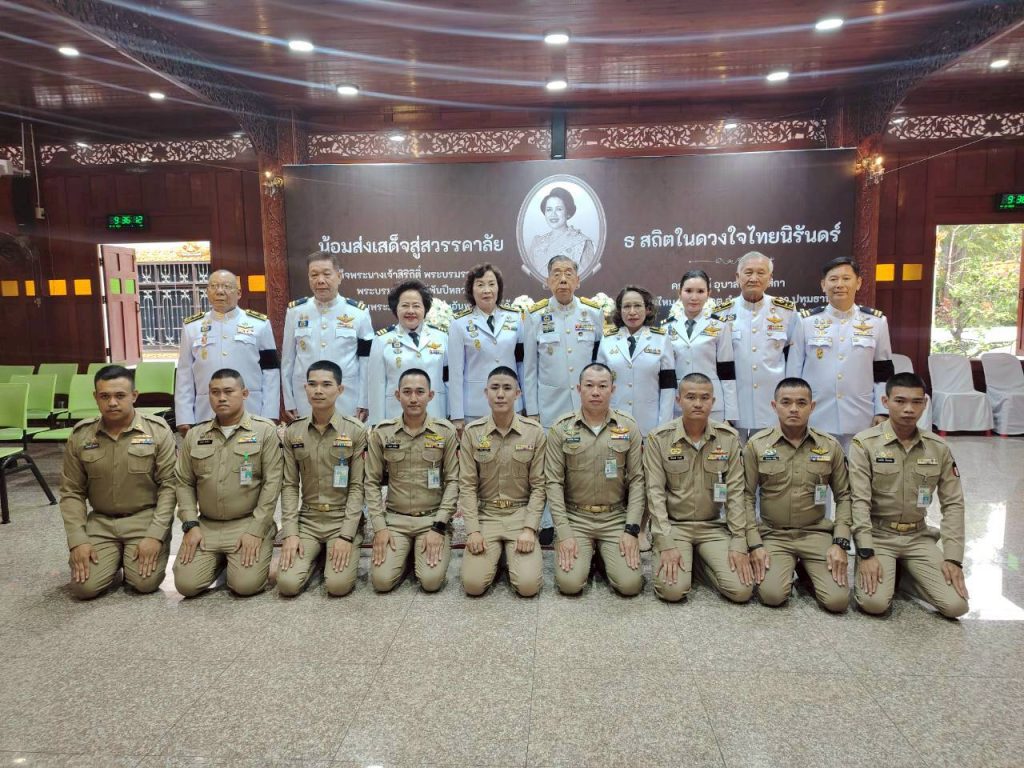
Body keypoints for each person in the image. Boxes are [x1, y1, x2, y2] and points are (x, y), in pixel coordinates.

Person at [848, 373, 969, 618]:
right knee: (874, 604)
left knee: (957, 606)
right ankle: (893, 574)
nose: (908, 409)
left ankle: (905, 578)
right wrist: (866, 552)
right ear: (885, 402)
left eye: (916, 402)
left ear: (925, 404)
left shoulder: (938, 447)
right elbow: (859, 501)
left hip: (918, 537)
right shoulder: (865, 444)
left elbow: (953, 504)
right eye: (900, 401)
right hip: (879, 536)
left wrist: (953, 558)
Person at [58, 365, 176, 599]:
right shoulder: (81, 435)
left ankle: (123, 559)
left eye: (120, 395)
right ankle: (112, 560)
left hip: (144, 519)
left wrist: (155, 535)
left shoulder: (157, 431)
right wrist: (77, 540)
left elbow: (170, 486)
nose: (112, 403)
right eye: (105, 396)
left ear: (134, 396)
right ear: (95, 397)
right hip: (101, 523)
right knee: (84, 589)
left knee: (144, 583)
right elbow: (71, 492)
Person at [743, 377, 852, 612]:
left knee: (837, 602)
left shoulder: (829, 446)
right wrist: (754, 544)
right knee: (772, 596)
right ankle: (789, 568)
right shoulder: (756, 445)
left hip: (815, 533)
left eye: (801, 403)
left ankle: (806, 572)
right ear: (774, 406)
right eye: (786, 402)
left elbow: (844, 496)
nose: (794, 409)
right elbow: (745, 497)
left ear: (812, 407)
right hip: (774, 534)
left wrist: (840, 542)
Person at [644, 373, 753, 603]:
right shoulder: (659, 439)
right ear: (678, 400)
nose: (698, 403)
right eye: (690, 397)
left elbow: (736, 494)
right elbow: (654, 494)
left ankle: (698, 563)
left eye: (704, 398)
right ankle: (688, 559)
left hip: (712, 527)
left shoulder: (728, 438)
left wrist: (738, 541)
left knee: (742, 590)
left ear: (713, 402)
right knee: (672, 592)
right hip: (674, 527)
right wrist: (665, 542)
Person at [173, 368, 283, 597]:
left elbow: (272, 484)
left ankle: (237, 557)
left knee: (245, 586)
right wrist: (190, 525)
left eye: (228, 391)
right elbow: (183, 482)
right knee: (186, 585)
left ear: (244, 393)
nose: (221, 398)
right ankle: (221, 560)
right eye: (215, 392)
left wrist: (256, 530)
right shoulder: (195, 435)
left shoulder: (264, 431)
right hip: (206, 526)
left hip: (247, 523)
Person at [524, 255, 605, 543]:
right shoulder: (535, 316)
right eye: (556, 273)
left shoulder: (593, 313)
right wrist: (532, 410)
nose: (562, 279)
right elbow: (529, 368)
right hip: (550, 405)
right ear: (547, 281)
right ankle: (547, 521)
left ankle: (581, 517)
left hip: (586, 404)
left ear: (578, 280)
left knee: (584, 461)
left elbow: (600, 363)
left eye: (569, 273)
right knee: (550, 465)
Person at [545, 363, 644, 597]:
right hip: (576, 517)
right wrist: (564, 532)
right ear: (579, 389)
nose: (596, 392)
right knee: (569, 585)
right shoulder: (561, 428)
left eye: (602, 386)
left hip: (614, 518)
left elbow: (637, 480)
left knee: (630, 585)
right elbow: (553, 483)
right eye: (589, 385)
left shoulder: (628, 426)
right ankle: (591, 552)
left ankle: (601, 555)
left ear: (613, 389)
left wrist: (631, 530)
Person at [364, 368, 459, 593]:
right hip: (395, 520)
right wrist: (379, 527)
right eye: (407, 392)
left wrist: (439, 525)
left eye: (420, 392)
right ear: (397, 395)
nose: (413, 398)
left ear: (431, 395)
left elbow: (453, 481)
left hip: (431, 519)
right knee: (382, 582)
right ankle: (405, 555)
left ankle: (413, 552)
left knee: (430, 582)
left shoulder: (445, 432)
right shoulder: (383, 433)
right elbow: (371, 482)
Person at [278, 361, 367, 597]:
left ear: (340, 389)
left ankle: (325, 555)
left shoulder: (355, 431)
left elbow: (357, 487)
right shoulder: (294, 432)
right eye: (312, 384)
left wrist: (347, 535)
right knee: (287, 585)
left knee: (338, 586)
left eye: (326, 385)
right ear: (305, 388)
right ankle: (315, 557)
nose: (318, 390)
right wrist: (290, 533)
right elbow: (289, 486)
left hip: (341, 519)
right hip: (308, 520)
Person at [787, 257, 894, 450]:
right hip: (816, 414)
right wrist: (793, 410)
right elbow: (793, 372)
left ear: (858, 283)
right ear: (823, 285)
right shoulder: (805, 321)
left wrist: (882, 410)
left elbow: (883, 372)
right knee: (816, 466)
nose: (839, 285)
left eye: (846, 278)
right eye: (833, 279)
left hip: (861, 414)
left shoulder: (876, 322)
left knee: (857, 467)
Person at [459, 367, 546, 597]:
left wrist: (529, 529)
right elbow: (467, 486)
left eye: (507, 388)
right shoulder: (472, 433)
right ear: (485, 392)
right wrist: (473, 531)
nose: (500, 394)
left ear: (517, 394)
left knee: (528, 587)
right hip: (487, 516)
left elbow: (539, 487)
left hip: (520, 515)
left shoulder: (534, 432)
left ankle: (506, 555)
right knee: (473, 586)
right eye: (494, 388)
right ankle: (498, 556)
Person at [174, 269, 280, 433]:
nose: (220, 291)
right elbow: (184, 373)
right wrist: (184, 416)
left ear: (239, 293)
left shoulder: (260, 324)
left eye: (227, 286)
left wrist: (270, 413)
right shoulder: (192, 327)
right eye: (214, 286)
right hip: (206, 411)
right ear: (207, 292)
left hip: (251, 408)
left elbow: (271, 372)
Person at [281, 252, 373, 423]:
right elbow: (288, 360)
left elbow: (366, 361)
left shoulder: (358, 313)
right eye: (314, 275)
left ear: (339, 276)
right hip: (305, 396)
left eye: (326, 274)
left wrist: (364, 400)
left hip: (347, 396)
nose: (320, 280)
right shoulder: (295, 312)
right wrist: (289, 400)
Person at [717, 251, 798, 442]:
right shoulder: (721, 313)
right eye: (748, 272)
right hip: (735, 405)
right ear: (737, 277)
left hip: (772, 405)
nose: (754, 278)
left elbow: (794, 359)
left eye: (761, 273)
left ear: (770, 278)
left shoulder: (786, 311)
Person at [448, 263, 525, 432]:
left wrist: (528, 405)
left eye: (491, 284)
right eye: (480, 285)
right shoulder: (459, 323)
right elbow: (455, 373)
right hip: (476, 407)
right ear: (471, 290)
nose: (486, 290)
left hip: (512, 404)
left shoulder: (515, 318)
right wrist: (457, 415)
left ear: (499, 288)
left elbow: (522, 365)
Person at [597, 284, 675, 436]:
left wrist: (663, 427)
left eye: (638, 306)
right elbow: (600, 385)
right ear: (619, 310)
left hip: (650, 424)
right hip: (614, 423)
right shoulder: (607, 339)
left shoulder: (661, 339)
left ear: (648, 309)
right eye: (627, 306)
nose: (632, 312)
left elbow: (668, 387)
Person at [367, 280, 448, 425]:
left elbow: (449, 381)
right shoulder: (382, 340)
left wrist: (453, 415)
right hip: (395, 417)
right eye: (405, 305)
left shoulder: (442, 337)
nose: (411, 311)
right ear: (396, 308)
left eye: (416, 306)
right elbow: (376, 386)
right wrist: (376, 423)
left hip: (435, 413)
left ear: (425, 308)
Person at [663, 269, 737, 424]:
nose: (694, 297)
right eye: (688, 291)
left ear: (709, 294)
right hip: (679, 403)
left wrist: (731, 415)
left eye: (700, 291)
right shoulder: (666, 327)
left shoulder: (719, 325)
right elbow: (666, 375)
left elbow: (727, 372)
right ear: (679, 292)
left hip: (711, 404)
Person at [527, 186, 595, 277]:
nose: (553, 214)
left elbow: (586, 279)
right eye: (549, 209)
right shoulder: (537, 242)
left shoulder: (582, 243)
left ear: (568, 213)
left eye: (559, 209)